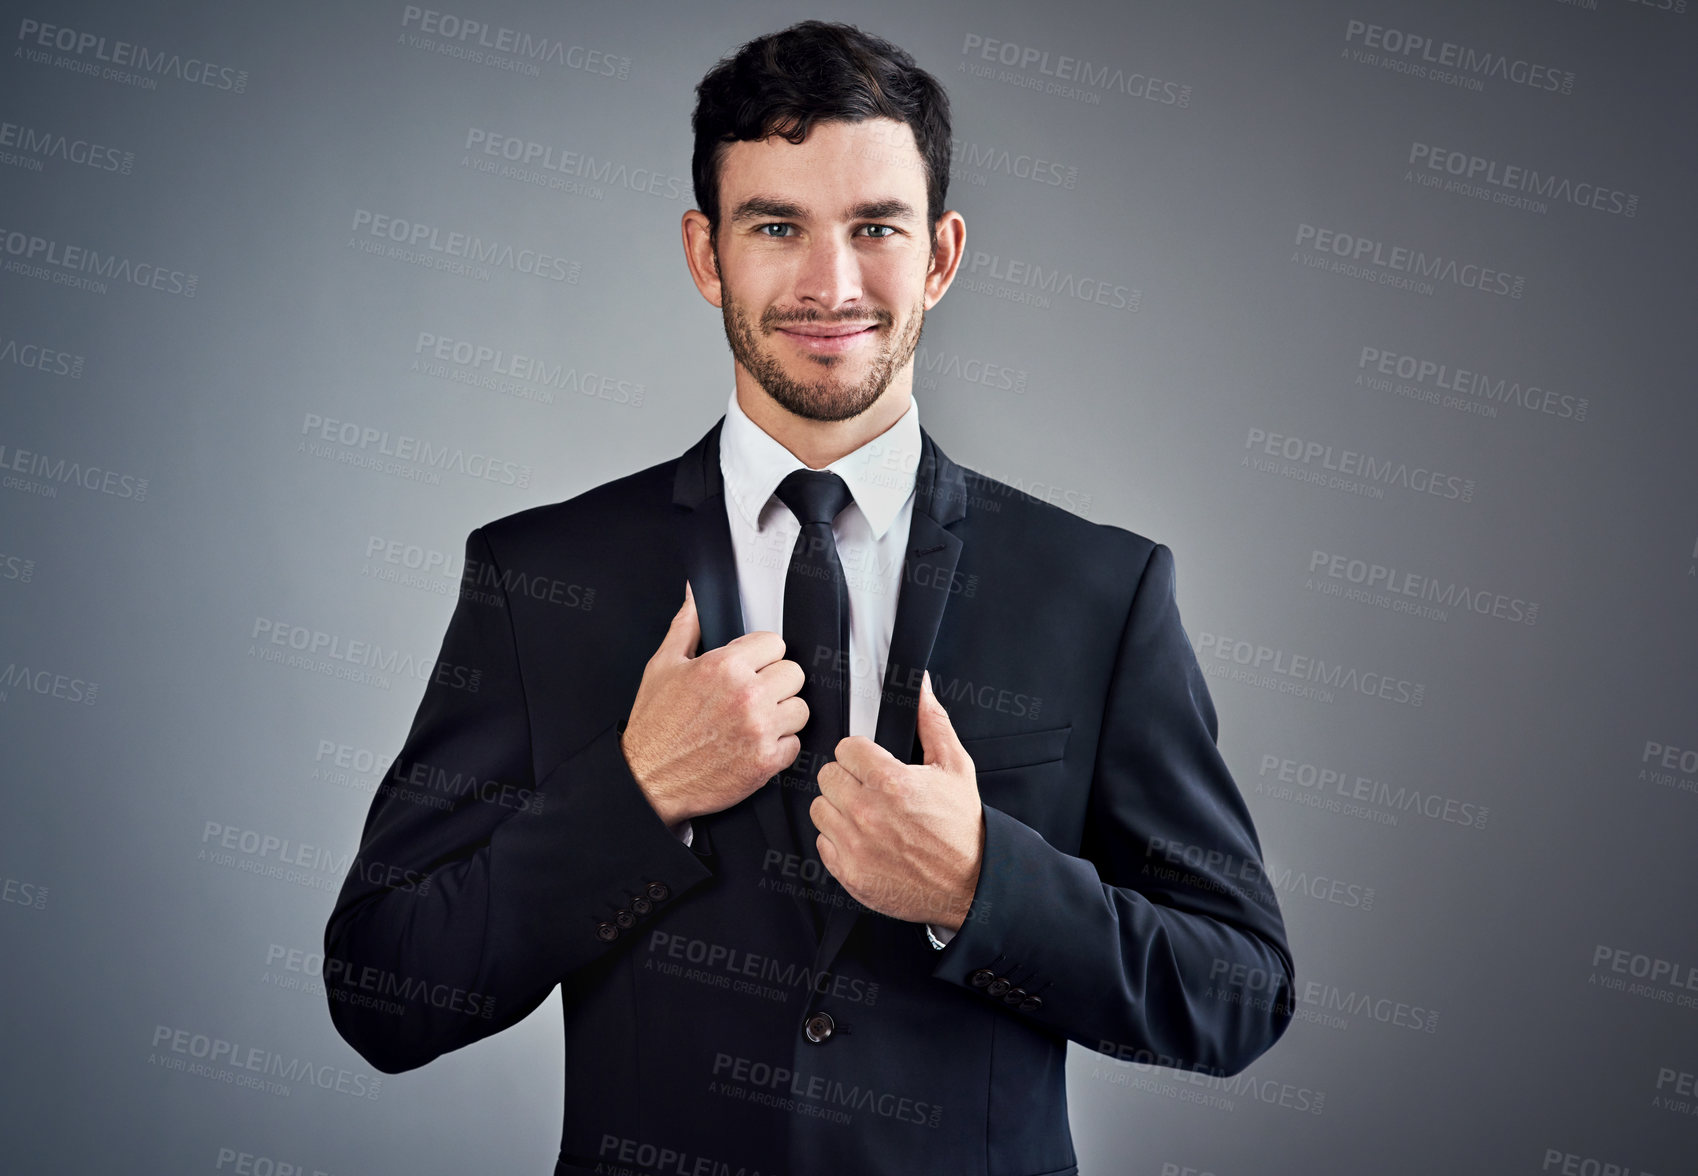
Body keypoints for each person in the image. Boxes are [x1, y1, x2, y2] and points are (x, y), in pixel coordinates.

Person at [324, 20, 1294, 1176]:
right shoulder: (541, 577)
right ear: (706, 254)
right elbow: (383, 990)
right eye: (776, 226)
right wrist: (633, 796)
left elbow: (1238, 988)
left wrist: (985, 885)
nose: (830, 285)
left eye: (875, 227)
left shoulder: (1104, 590)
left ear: (940, 255)